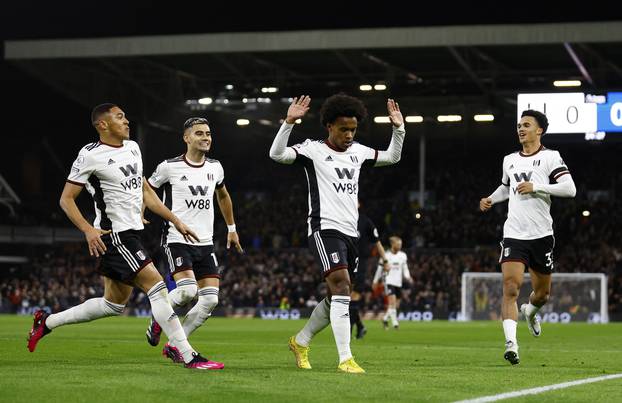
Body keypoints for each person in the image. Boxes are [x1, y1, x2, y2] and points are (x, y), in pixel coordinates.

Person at [27, 103, 223, 370]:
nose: (127, 121)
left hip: (133, 234)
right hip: (114, 235)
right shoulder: (90, 155)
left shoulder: (132, 147)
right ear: (103, 125)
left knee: (113, 305)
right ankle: (187, 354)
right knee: (158, 289)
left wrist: (176, 220)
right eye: (119, 117)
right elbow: (66, 199)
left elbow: (145, 191)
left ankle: (46, 321)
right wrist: (87, 229)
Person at [269, 94, 405, 373]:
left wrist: (398, 128)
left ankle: (301, 341)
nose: (349, 134)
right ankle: (345, 359)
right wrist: (288, 122)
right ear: (329, 126)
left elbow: (392, 156)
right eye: (344, 129)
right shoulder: (313, 151)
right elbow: (277, 154)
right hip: (324, 228)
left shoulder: (359, 152)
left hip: (350, 233)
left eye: (353, 129)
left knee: (336, 297)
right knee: (342, 287)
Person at [479, 109, 576, 365]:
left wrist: (538, 186)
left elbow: (570, 189)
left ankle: (530, 312)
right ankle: (511, 344)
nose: (521, 129)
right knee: (510, 287)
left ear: (539, 130)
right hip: (514, 234)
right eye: (519, 125)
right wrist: (491, 198)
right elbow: (506, 186)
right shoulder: (509, 159)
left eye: (526, 125)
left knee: (542, 295)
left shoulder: (550, 157)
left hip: (542, 235)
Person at [144, 117, 243, 364]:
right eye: (199, 133)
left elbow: (223, 195)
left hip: (205, 242)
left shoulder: (215, 167)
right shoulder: (169, 167)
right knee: (188, 291)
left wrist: (232, 228)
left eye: (208, 133)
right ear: (186, 138)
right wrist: (140, 213)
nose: (206, 137)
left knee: (210, 299)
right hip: (177, 238)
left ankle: (174, 344)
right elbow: (146, 190)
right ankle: (160, 316)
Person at [350, 205, 388, 339]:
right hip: (345, 261)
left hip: (360, 262)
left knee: (353, 297)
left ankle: (349, 332)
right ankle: (360, 327)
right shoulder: (343, 218)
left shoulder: (365, 221)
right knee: (346, 299)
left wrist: (386, 260)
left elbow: (377, 242)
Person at [372, 236, 411, 330]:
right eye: (398, 244)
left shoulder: (403, 255)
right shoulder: (385, 256)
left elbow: (405, 268)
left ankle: (385, 319)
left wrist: (408, 276)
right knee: (392, 302)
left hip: (398, 282)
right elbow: (379, 269)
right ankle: (395, 323)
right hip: (388, 281)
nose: (400, 246)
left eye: (400, 244)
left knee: (396, 305)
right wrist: (375, 281)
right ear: (393, 244)